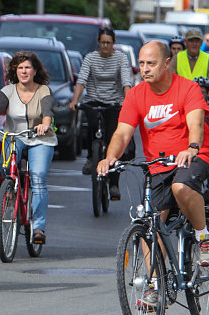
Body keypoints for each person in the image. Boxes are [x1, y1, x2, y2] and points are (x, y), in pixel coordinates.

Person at [97, 41, 209, 308]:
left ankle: (203, 237)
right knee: (150, 223)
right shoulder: (136, 95)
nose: (144, 69)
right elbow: (122, 132)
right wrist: (110, 156)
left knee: (181, 188)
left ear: (166, 63)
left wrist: (192, 147)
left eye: (150, 63)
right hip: (158, 165)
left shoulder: (188, 88)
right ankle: (154, 287)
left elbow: (196, 123)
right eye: (141, 63)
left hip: (192, 157)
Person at [0, 51, 57, 244]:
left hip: (40, 138)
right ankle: (14, 193)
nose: (24, 71)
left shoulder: (43, 91)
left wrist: (45, 124)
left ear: (35, 70)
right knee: (7, 170)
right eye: (20, 67)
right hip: (15, 136)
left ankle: (38, 227)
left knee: (38, 177)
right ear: (15, 70)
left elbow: (47, 112)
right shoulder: (8, 91)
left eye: (28, 67)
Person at [69, 27, 132, 200]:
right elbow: (81, 80)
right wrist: (75, 100)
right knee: (91, 127)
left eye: (109, 43)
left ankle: (114, 184)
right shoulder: (90, 58)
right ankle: (91, 156)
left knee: (114, 139)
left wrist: (128, 102)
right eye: (103, 42)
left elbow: (126, 81)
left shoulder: (120, 58)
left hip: (114, 102)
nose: (105, 46)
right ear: (98, 42)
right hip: (93, 100)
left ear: (114, 43)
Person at [169, 29, 209, 105]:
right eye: (191, 41)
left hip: (202, 100)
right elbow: (170, 78)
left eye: (197, 41)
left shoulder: (208, 58)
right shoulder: (177, 58)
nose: (194, 44)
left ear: (201, 43)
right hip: (181, 100)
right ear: (185, 42)